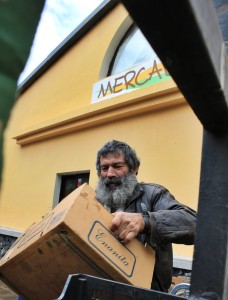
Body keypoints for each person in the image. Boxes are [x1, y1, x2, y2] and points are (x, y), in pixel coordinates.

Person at [95, 140, 196, 292]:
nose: (109, 174)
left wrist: (146, 221)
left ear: (133, 169)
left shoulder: (153, 195)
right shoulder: (93, 202)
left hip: (146, 293)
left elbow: (195, 224)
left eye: (117, 166)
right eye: (104, 168)